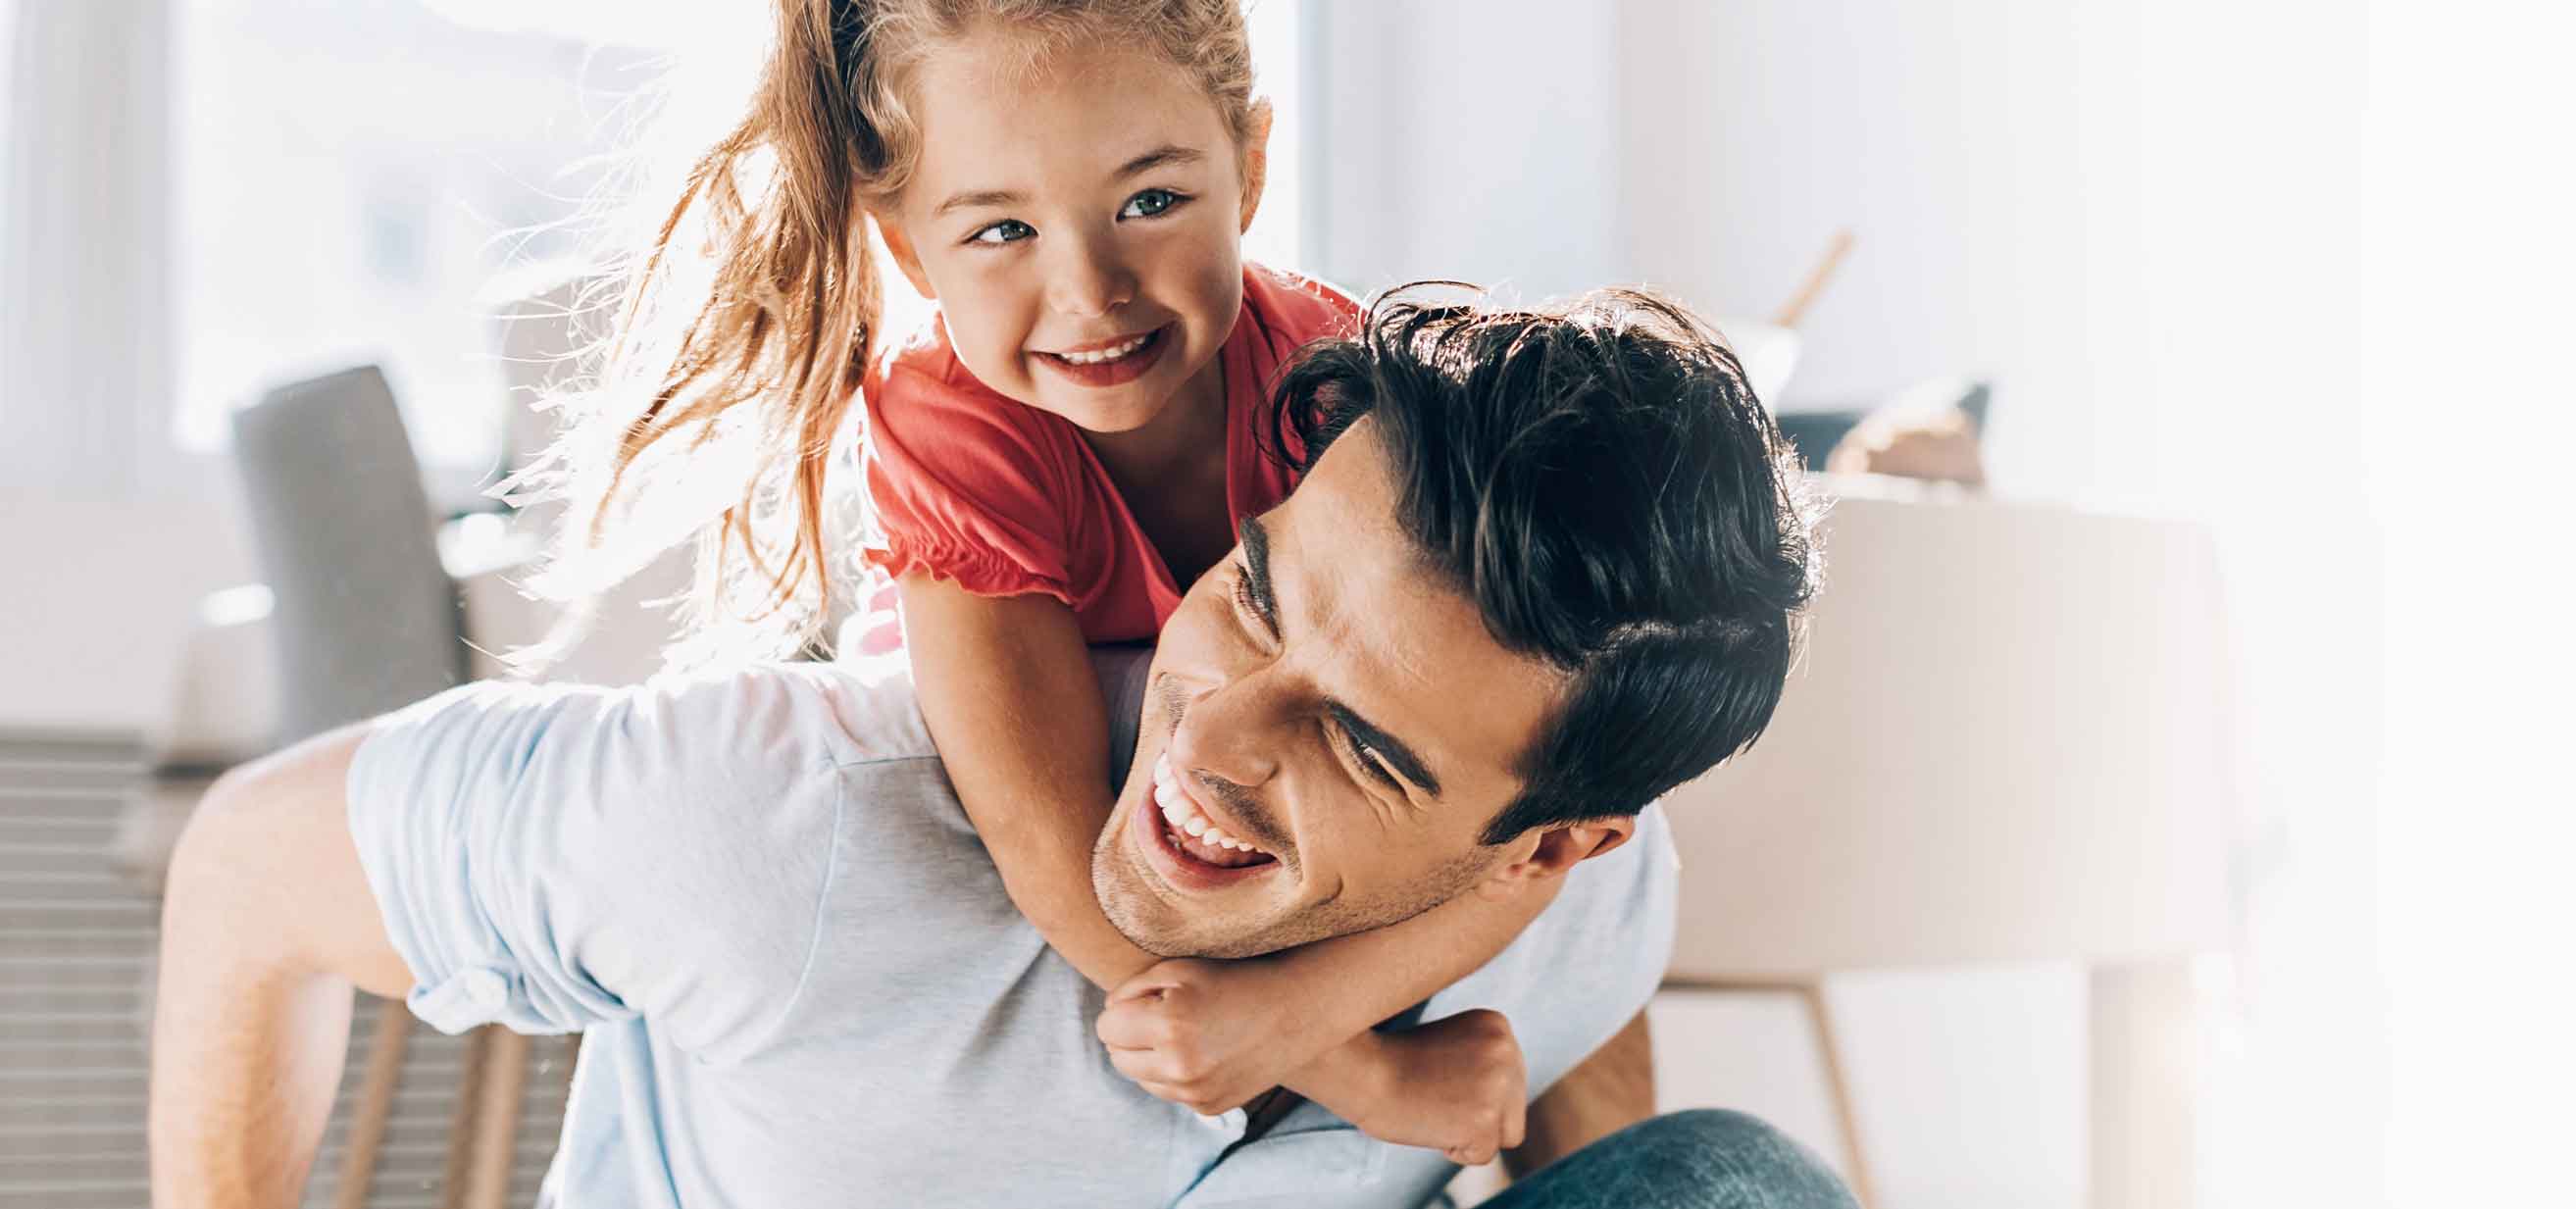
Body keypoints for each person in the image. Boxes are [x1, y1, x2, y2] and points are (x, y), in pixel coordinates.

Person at [149, 289, 1851, 1208]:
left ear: (1552, 842)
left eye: (1363, 743)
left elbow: (1592, 1099)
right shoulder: (774, 823)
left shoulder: (1585, 900)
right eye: (1252, 598)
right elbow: (244, 869)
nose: (1218, 736)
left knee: (1731, 1191)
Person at [501, 0, 1547, 1152]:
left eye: (1151, 201)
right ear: (908, 250)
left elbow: (1547, 805)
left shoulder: (1343, 384)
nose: (1091, 291)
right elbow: (1043, 846)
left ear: (1248, 169)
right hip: (1033, 833)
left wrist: (1304, 1009)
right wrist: (1362, 1075)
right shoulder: (945, 414)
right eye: (1001, 231)